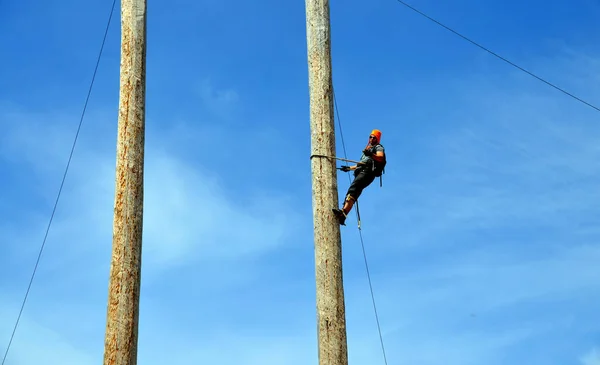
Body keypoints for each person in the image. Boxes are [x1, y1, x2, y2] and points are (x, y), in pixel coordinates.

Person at [333, 129, 386, 226]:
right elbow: (361, 164)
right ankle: (343, 214)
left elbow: (380, 157)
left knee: (353, 189)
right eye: (370, 136)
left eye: (374, 137)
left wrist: (370, 154)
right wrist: (349, 168)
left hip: (367, 173)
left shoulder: (378, 147)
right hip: (363, 172)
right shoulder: (368, 149)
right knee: (354, 193)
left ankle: (343, 211)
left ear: (377, 139)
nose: (372, 139)